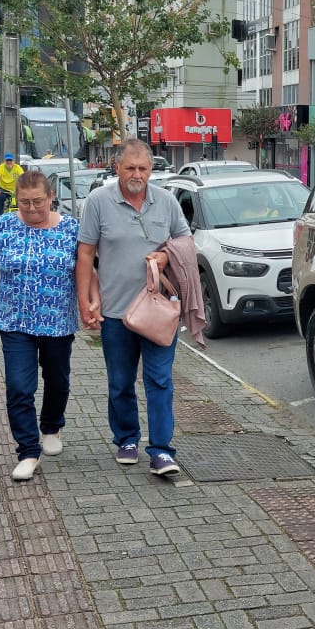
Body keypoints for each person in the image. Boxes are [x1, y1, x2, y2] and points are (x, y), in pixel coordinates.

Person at [77, 139, 191, 477]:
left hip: (157, 312)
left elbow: (185, 241)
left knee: (159, 380)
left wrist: (167, 255)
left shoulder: (167, 202)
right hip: (115, 312)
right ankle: (126, 438)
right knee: (120, 382)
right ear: (117, 168)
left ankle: (161, 451)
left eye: (143, 168)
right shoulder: (98, 201)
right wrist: (85, 302)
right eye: (130, 168)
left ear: (151, 170)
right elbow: (85, 254)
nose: (136, 174)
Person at [0, 170, 80, 482]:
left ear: (50, 198)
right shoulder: (4, 225)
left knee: (58, 381)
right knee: (19, 386)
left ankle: (51, 426)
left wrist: (91, 304)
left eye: (38, 202)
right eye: (24, 203)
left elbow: (86, 270)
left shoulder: (71, 228)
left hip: (58, 322)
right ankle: (28, 451)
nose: (31, 209)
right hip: (15, 322)